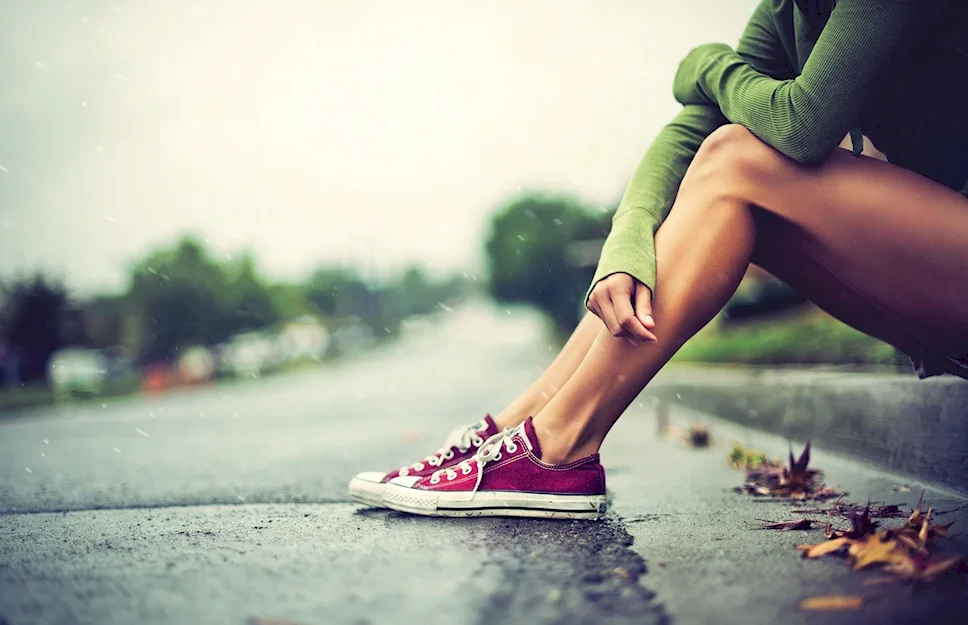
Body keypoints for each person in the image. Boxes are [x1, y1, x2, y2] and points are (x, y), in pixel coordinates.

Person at [349, 0, 968, 519]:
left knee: (738, 158)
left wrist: (707, 64)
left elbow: (803, 123)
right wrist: (624, 246)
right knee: (718, 181)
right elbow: (688, 135)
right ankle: (531, 424)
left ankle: (557, 448)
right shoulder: (790, 9)